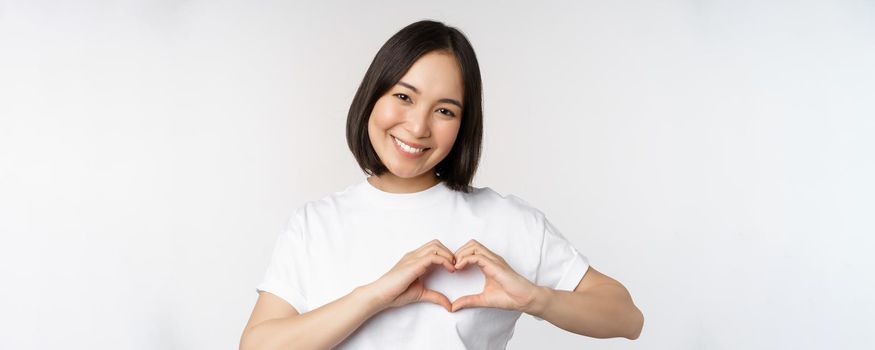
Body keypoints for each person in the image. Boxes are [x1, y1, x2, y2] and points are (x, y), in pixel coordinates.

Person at [239, 20, 643, 350]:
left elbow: (627, 317)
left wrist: (535, 298)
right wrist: (373, 296)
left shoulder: (506, 221)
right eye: (404, 96)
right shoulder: (315, 225)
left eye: (445, 110)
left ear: (464, 126)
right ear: (372, 97)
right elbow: (256, 346)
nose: (417, 127)